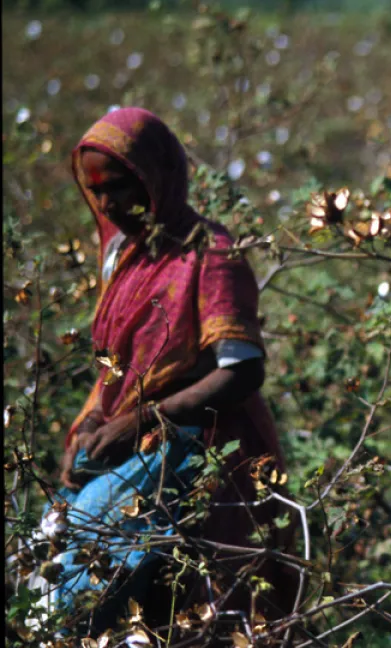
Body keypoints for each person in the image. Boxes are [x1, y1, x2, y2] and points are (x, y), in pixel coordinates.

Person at [44, 107, 295, 636]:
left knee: (204, 614)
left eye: (119, 186)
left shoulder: (211, 254)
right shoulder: (121, 254)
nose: (108, 202)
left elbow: (242, 371)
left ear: (157, 176)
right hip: (127, 445)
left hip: (203, 450)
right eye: (96, 190)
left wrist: (143, 420)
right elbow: (115, 367)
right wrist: (92, 423)